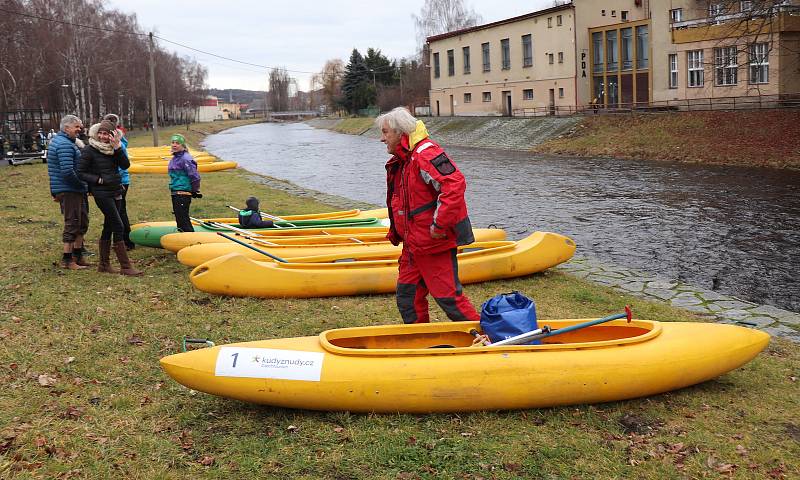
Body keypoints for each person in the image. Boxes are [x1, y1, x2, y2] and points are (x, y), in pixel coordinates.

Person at [377, 107, 479, 324]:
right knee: (408, 299)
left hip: (433, 245)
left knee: (450, 301)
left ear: (399, 132)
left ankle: (490, 342)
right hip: (413, 246)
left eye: (385, 132)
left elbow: (454, 185)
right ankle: (420, 341)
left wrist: (439, 226)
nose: (381, 138)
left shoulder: (425, 154)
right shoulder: (405, 159)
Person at [78, 120, 141, 276]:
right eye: (100, 133)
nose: (102, 136)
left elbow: (125, 165)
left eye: (106, 133)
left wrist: (118, 148)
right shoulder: (89, 150)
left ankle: (104, 265)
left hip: (116, 190)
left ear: (112, 134)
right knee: (118, 225)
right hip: (101, 193)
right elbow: (80, 172)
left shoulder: (114, 149)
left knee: (109, 226)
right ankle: (126, 266)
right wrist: (98, 180)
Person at [46, 114, 90, 269]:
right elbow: (67, 171)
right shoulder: (64, 144)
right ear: (66, 128)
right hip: (70, 189)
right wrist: (82, 184)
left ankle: (78, 255)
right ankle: (67, 259)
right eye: (76, 126)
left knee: (82, 221)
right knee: (73, 222)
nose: (80, 129)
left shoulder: (67, 142)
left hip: (73, 188)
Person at [103, 114, 134, 249]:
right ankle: (122, 240)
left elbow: (122, 164)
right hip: (115, 181)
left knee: (119, 211)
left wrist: (117, 181)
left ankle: (126, 241)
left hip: (120, 182)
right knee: (117, 211)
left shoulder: (119, 143)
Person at [168, 134, 201, 232]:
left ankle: (191, 239)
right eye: (173, 142)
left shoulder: (186, 159)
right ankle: (182, 237)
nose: (174, 145)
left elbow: (195, 176)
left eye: (177, 143)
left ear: (183, 145)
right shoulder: (175, 158)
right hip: (175, 191)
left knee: (183, 219)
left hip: (183, 192)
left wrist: (194, 190)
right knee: (179, 218)